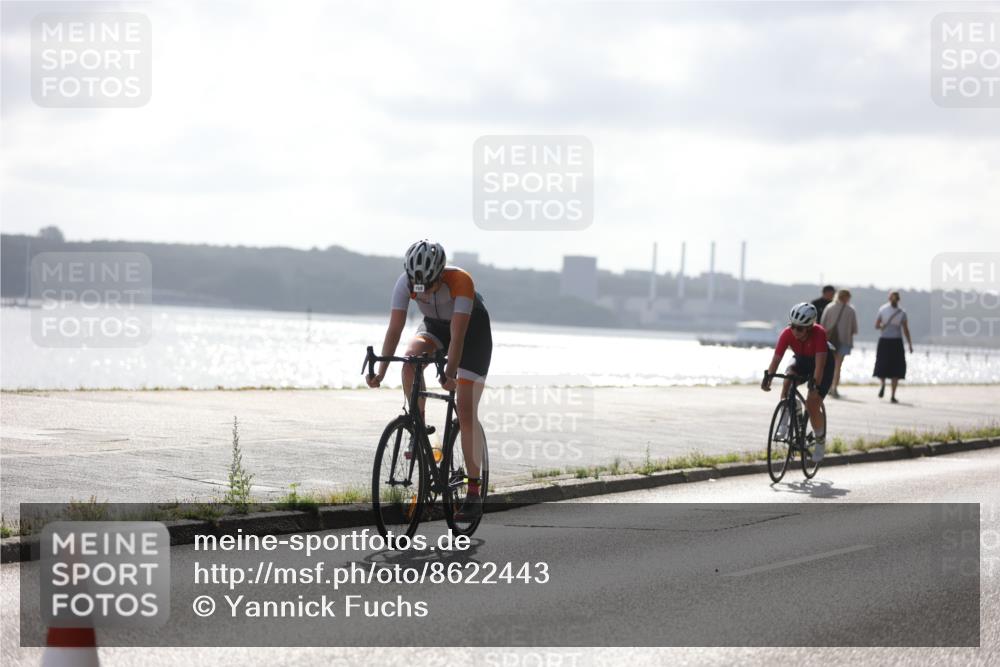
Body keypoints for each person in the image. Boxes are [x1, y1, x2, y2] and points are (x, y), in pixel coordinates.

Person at [366, 240, 492, 520]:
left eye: (429, 284)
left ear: (440, 274)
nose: (422, 289)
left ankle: (473, 493)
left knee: (466, 410)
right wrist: (381, 372)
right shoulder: (405, 282)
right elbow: (395, 329)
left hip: (472, 336)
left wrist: (450, 375)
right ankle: (417, 430)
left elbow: (458, 338)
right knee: (410, 361)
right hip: (435, 328)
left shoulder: (461, 282)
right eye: (417, 284)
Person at [761, 302, 835, 462]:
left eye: (800, 328)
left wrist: (814, 385)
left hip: (822, 363)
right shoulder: (787, 333)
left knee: (812, 403)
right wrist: (769, 377)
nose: (795, 331)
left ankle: (820, 440)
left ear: (809, 327)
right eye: (793, 326)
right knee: (788, 378)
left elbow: (820, 366)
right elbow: (777, 358)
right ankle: (787, 412)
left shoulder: (819, 333)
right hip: (801, 360)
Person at [873, 290, 913, 404]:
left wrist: (909, 343)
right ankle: (891, 393)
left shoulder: (886, 310)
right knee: (894, 368)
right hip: (895, 341)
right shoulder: (899, 312)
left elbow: (876, 325)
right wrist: (910, 344)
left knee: (884, 366)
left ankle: (885, 386)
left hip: (887, 341)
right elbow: (905, 330)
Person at [820, 289, 858, 399]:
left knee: (827, 365)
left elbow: (822, 324)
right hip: (844, 340)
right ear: (847, 297)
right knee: (838, 366)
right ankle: (834, 387)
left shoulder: (829, 307)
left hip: (829, 339)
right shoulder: (851, 310)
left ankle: (826, 386)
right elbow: (854, 329)